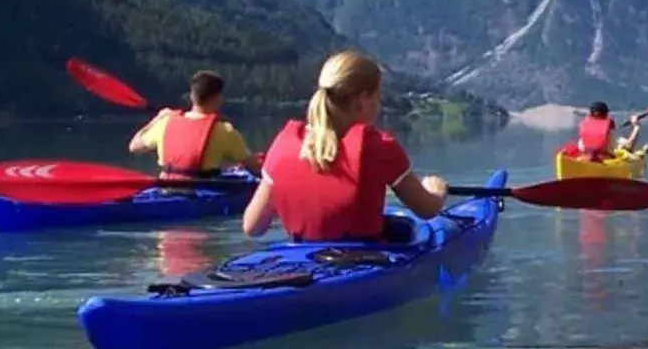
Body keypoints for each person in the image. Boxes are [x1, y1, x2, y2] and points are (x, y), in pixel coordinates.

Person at [241, 51, 448, 242]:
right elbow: (427, 210)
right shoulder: (380, 147)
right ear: (362, 99)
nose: (379, 105)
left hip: (304, 258)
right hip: (365, 259)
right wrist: (436, 192)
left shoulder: (283, 145)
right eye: (377, 96)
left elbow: (253, 227)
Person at [128, 70, 258, 179]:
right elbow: (253, 165)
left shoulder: (165, 123)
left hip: (166, 191)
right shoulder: (224, 131)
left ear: (192, 96)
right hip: (203, 194)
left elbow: (134, 146)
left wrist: (157, 119)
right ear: (218, 98)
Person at [569, 102, 645, 161]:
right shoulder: (610, 134)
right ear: (606, 114)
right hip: (603, 163)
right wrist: (636, 126)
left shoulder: (584, 132)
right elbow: (629, 146)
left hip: (585, 160)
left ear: (591, 115)